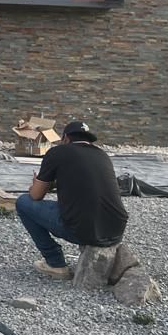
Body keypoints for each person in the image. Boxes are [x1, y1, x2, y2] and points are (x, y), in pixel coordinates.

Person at [15, 119, 130, 280]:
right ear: (89, 139)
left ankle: (55, 263)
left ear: (66, 139)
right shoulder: (102, 155)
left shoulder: (57, 153)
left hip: (83, 230)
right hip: (116, 230)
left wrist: (36, 185)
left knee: (23, 203)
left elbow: (36, 196)